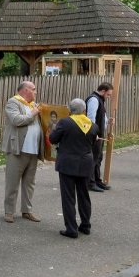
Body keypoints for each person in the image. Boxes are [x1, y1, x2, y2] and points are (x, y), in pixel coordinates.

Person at [48, 98, 96, 239]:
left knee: (68, 196)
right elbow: (93, 142)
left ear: (70, 110)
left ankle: (71, 228)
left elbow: (53, 139)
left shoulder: (65, 122)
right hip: (86, 162)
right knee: (84, 195)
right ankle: (86, 226)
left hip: (68, 163)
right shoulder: (92, 125)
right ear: (84, 111)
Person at [1, 81, 43, 222]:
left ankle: (27, 211)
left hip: (33, 150)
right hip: (17, 149)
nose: (36, 92)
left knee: (30, 183)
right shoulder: (13, 102)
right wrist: (33, 114)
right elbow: (16, 120)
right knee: (12, 183)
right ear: (26, 90)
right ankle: (9, 212)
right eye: (34, 89)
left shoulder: (32, 105)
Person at [85, 83, 113, 192]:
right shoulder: (94, 100)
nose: (109, 97)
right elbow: (90, 118)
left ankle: (97, 180)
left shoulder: (100, 100)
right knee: (93, 159)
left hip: (99, 135)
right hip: (94, 135)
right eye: (108, 94)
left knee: (98, 158)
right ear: (103, 91)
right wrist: (93, 133)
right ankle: (90, 183)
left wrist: (108, 121)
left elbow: (101, 116)